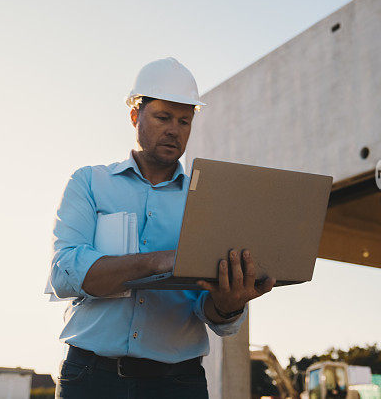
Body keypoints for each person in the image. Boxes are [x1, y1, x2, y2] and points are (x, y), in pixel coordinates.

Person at [48, 57, 276, 398]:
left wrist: (229, 303)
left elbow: (207, 308)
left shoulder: (208, 202)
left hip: (177, 383)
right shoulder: (89, 182)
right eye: (163, 117)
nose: (175, 129)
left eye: (185, 121)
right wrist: (161, 261)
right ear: (134, 115)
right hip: (91, 378)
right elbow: (66, 273)